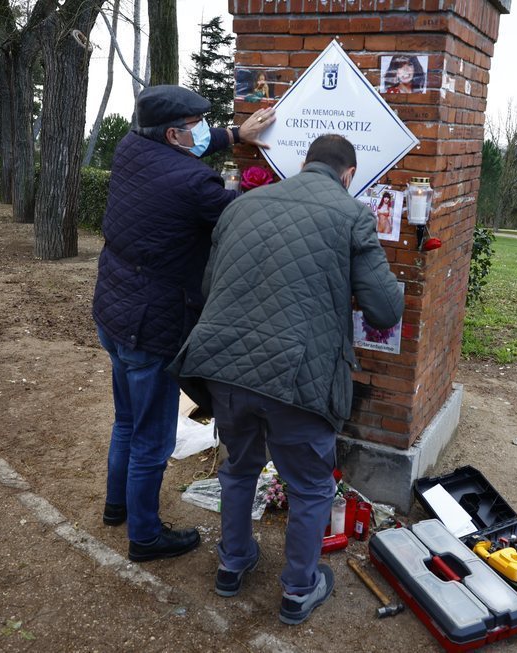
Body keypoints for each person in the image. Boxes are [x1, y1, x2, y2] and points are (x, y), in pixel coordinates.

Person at [169, 135, 403, 625]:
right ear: (348, 175)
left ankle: (232, 564)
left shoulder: (242, 206)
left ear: (304, 163)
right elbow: (384, 308)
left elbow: (212, 287)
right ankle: (299, 590)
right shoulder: (352, 215)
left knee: (238, 468)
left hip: (225, 365)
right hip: (297, 376)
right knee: (312, 486)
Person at [92, 85, 275, 563]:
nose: (200, 132)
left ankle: (118, 507)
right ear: (173, 134)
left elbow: (182, 151)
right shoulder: (194, 184)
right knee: (154, 437)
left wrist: (235, 133)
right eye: (194, 126)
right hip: (150, 323)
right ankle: (146, 536)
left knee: (126, 421)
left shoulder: (131, 148)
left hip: (112, 311)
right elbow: (240, 221)